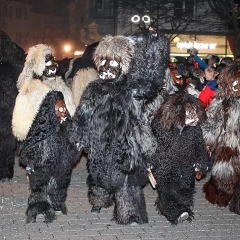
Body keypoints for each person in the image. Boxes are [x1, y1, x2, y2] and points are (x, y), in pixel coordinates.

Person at [71, 28, 170, 225]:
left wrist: (154, 44)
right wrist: (78, 137)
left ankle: (130, 213)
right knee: (99, 174)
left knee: (127, 180)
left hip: (126, 142)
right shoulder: (94, 88)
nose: (107, 68)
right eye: (104, 62)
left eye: (114, 62)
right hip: (99, 140)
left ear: (123, 65)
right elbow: (83, 113)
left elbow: (149, 78)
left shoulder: (131, 88)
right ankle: (99, 199)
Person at [147, 92, 208, 224]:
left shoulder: (195, 129)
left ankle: (182, 207)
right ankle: (173, 212)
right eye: (189, 113)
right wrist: (149, 162)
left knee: (185, 191)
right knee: (168, 193)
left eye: (195, 113)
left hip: (186, 166)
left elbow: (200, 146)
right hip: (164, 165)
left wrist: (201, 164)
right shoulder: (161, 125)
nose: (194, 118)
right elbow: (151, 145)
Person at [19, 91, 79, 223]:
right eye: (59, 109)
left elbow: (73, 144)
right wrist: (31, 163)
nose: (63, 111)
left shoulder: (66, 123)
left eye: (64, 108)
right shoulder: (41, 127)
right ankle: (39, 207)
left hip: (60, 164)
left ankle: (57, 203)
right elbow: (29, 147)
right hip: (43, 165)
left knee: (58, 184)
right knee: (40, 187)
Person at [202, 62, 240, 215]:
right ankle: (219, 194)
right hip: (227, 146)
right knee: (224, 176)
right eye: (235, 83)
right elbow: (211, 122)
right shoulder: (221, 101)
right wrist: (208, 142)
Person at [0, 31, 26, 181]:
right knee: (6, 140)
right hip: (9, 109)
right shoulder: (15, 66)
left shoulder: (12, 67)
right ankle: (5, 171)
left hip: (7, 108)